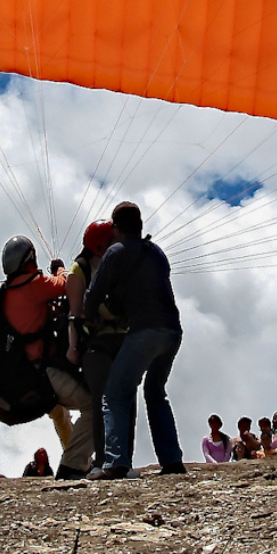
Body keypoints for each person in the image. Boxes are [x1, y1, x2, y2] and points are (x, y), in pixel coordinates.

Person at [84, 202, 185, 480]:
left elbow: (94, 293)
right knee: (155, 393)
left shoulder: (115, 252)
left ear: (116, 228)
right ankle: (172, 460)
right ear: (140, 224)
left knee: (115, 394)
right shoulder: (157, 253)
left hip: (145, 332)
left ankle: (116, 462)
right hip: (173, 331)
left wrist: (89, 315)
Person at [0, 235, 94, 478]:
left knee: (61, 416)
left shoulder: (8, 291)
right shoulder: (32, 283)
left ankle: (80, 460)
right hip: (45, 374)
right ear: (30, 258)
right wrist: (60, 268)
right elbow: (66, 284)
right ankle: (73, 464)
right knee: (94, 407)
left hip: (27, 374)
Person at [69, 220, 134, 480]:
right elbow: (74, 314)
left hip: (124, 339)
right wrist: (73, 348)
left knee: (128, 400)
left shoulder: (122, 265)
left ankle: (124, 460)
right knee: (102, 400)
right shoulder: (80, 270)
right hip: (96, 343)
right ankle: (102, 460)